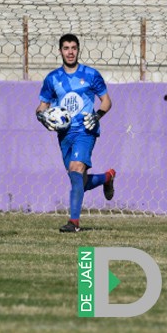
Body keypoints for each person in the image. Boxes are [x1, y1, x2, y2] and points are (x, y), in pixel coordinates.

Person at [36, 33, 115, 233]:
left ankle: (74, 222)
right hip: (64, 134)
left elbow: (107, 101)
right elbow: (42, 106)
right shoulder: (52, 79)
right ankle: (107, 178)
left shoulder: (91, 75)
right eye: (66, 48)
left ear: (78, 50)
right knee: (78, 179)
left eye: (73, 48)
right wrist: (42, 116)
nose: (70, 52)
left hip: (85, 130)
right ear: (60, 51)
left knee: (77, 168)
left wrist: (96, 116)